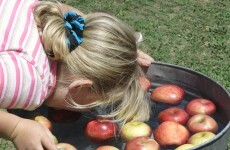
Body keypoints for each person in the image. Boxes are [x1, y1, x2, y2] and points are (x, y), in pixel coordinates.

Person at [0, 0, 154, 149]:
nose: (91, 110)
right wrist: (16, 128)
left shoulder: (52, 18)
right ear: (80, 87)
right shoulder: (28, 81)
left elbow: (70, 14)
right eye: (92, 105)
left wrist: (114, 49)